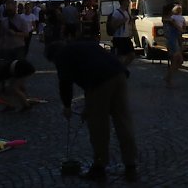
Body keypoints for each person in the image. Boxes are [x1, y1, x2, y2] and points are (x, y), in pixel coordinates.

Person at [54, 39, 138, 183]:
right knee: (123, 120)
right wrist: (88, 106)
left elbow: (65, 82)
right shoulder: (84, 45)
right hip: (119, 74)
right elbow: (90, 74)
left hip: (100, 81)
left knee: (98, 126)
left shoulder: (62, 56)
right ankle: (131, 164)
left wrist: (67, 106)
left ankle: (99, 166)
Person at [161, 2, 183, 88]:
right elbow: (177, 27)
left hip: (175, 40)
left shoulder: (170, 19)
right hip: (172, 41)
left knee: (179, 60)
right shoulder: (169, 19)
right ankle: (168, 79)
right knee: (177, 59)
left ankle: (168, 77)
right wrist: (179, 27)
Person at [109, 0, 135, 66]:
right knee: (121, 57)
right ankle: (120, 70)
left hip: (126, 37)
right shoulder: (116, 13)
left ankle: (122, 68)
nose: (129, 2)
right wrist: (122, 21)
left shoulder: (126, 12)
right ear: (123, 2)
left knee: (132, 55)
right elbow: (113, 25)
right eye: (127, 1)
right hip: (119, 38)